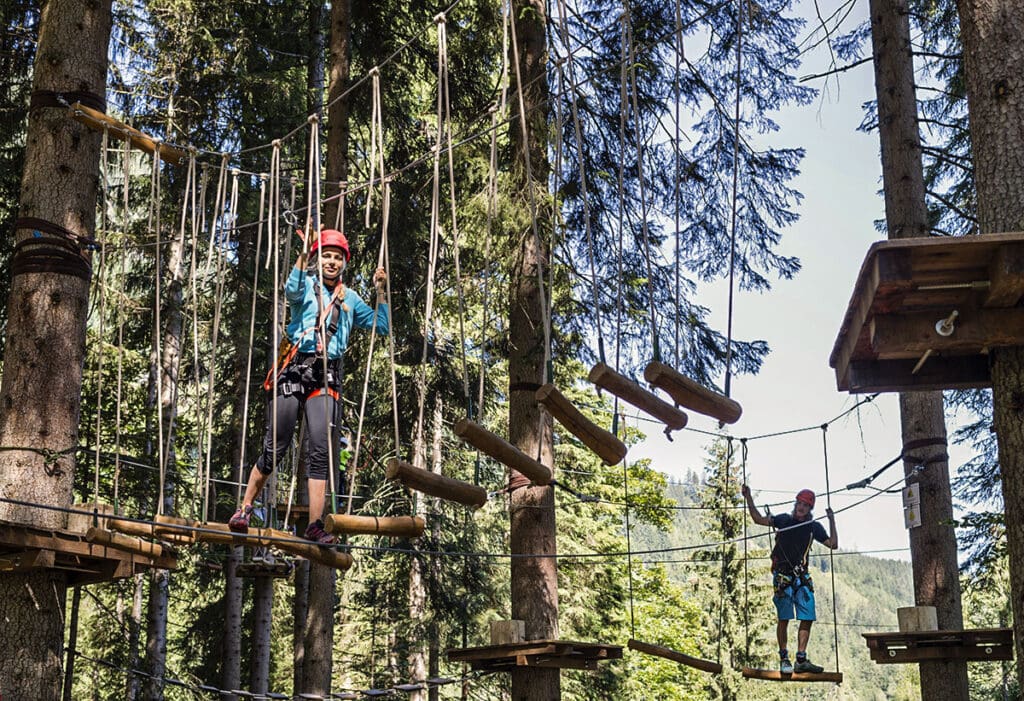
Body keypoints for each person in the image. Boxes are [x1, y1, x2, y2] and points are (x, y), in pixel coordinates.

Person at [229, 228, 389, 545]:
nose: (331, 262)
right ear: (319, 260)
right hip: (294, 367)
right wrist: (304, 255)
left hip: (326, 374)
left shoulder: (351, 298)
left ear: (344, 262)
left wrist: (381, 290)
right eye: (326, 256)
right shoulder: (307, 287)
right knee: (276, 447)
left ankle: (315, 525)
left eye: (337, 257)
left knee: (320, 449)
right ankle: (245, 508)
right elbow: (290, 290)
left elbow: (381, 326)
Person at [741, 484, 838, 675]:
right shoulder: (784, 520)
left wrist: (832, 520)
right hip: (783, 576)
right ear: (795, 503)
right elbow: (758, 519)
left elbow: (833, 544)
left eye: (805, 505)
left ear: (810, 509)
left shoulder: (813, 527)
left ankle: (800, 658)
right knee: (784, 618)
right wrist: (749, 498)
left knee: (807, 616)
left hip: (801, 576)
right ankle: (784, 657)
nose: (801, 507)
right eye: (799, 503)